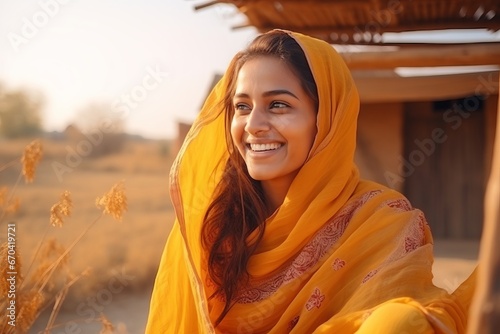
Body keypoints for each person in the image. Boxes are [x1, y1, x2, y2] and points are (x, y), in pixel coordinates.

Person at [146, 29, 476, 333]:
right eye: (242, 106)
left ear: (326, 120)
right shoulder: (217, 225)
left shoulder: (381, 222)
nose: (253, 124)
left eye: (278, 105)